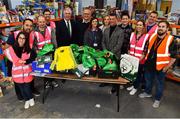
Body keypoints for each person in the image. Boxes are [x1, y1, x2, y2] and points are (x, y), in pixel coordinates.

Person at [139, 21, 176, 108]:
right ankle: (147, 93)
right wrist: (142, 57)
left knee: (159, 84)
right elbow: (146, 48)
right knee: (148, 81)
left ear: (167, 29)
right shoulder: (152, 36)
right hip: (149, 64)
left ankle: (157, 99)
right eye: (159, 26)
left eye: (163, 27)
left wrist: (167, 67)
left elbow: (174, 57)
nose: (160, 28)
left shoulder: (171, 39)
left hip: (161, 67)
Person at [7, 18, 40, 96]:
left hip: (27, 62)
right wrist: (16, 60)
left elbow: (33, 48)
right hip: (16, 63)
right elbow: (7, 49)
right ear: (23, 25)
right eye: (27, 25)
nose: (28, 27)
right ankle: (20, 95)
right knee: (18, 80)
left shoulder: (32, 35)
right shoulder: (14, 35)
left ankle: (31, 90)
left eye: (31, 26)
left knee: (30, 76)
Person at [4, 32, 36, 109]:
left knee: (27, 87)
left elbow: (33, 58)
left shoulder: (29, 48)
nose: (21, 40)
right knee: (21, 88)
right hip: (17, 73)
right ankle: (27, 100)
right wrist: (17, 61)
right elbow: (8, 57)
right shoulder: (12, 49)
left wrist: (26, 61)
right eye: (20, 38)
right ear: (17, 38)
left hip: (27, 73)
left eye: (23, 38)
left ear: (26, 40)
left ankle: (31, 98)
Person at [101, 13, 124, 92]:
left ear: (117, 20)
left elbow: (119, 44)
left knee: (114, 71)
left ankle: (114, 85)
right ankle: (106, 82)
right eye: (110, 19)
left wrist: (110, 53)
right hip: (106, 54)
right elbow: (103, 41)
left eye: (113, 19)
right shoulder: (106, 30)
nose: (111, 20)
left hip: (115, 55)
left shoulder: (120, 31)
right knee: (106, 69)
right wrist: (105, 51)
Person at [34, 15, 58, 88]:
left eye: (43, 21)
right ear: (37, 22)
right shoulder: (34, 32)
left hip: (50, 52)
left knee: (51, 67)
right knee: (44, 69)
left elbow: (54, 41)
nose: (42, 23)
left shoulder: (51, 29)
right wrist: (36, 51)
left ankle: (52, 80)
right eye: (40, 22)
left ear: (45, 22)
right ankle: (47, 81)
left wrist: (55, 49)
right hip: (41, 54)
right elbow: (33, 44)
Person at [126, 20, 149, 95]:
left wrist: (138, 60)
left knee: (138, 74)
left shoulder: (146, 36)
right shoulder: (132, 34)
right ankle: (133, 85)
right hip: (132, 59)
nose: (139, 26)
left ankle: (135, 87)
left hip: (140, 60)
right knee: (133, 74)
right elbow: (129, 46)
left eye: (140, 25)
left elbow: (145, 51)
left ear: (143, 27)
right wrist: (129, 57)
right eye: (137, 25)